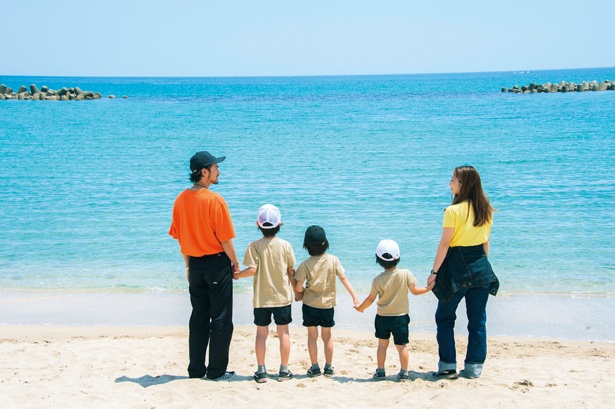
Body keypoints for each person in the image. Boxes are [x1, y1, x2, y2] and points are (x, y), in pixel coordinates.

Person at [168, 151, 239, 381]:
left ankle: (196, 370)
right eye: (216, 167)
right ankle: (216, 371)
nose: (219, 171)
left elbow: (182, 238)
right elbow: (225, 239)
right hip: (217, 263)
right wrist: (236, 263)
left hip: (195, 265)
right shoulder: (215, 200)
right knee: (221, 319)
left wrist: (188, 267)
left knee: (199, 318)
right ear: (204, 172)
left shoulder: (180, 199)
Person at [428, 165, 499, 380]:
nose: (450, 183)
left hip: (457, 270)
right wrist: (481, 268)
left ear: (463, 184)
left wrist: (434, 272)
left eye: (453, 180)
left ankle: (448, 366)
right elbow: (485, 243)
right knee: (477, 322)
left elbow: (445, 244)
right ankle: (473, 369)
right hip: (481, 267)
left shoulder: (453, 211)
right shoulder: (485, 209)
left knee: (444, 317)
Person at [233, 204, 298, 383]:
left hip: (261, 299)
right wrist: (296, 291)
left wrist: (235, 275)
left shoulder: (253, 246)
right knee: (283, 332)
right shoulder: (286, 246)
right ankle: (284, 371)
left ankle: (261, 371)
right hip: (282, 298)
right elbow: (291, 271)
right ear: (280, 224)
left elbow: (251, 270)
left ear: (258, 225)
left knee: (262, 333)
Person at [355, 240, 434, 382]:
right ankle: (404, 373)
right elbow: (415, 291)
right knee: (401, 346)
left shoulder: (377, 280)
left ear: (378, 260)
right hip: (400, 318)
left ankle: (380, 371)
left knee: (382, 345)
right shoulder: (405, 274)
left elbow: (371, 299)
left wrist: (361, 308)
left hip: (382, 317)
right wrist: (429, 288)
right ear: (397, 258)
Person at [294, 225, 361, 378]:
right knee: (327, 336)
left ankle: (315, 367)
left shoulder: (304, 265)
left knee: (312, 336)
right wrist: (355, 298)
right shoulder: (333, 260)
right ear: (326, 243)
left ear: (306, 245)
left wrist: (301, 292)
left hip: (310, 305)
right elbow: (343, 278)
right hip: (328, 305)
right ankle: (329, 368)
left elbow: (298, 287)